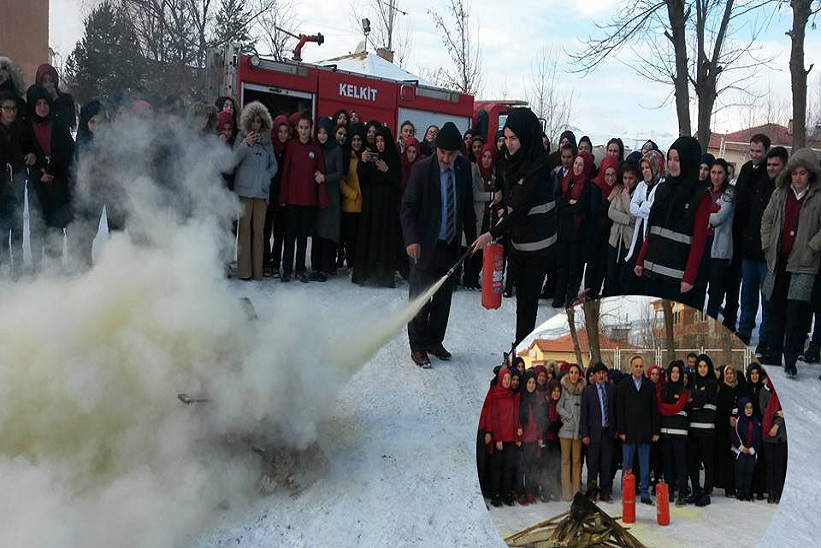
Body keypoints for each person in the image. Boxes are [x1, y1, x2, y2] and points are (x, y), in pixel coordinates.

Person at [471, 108, 558, 344]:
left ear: (527, 137)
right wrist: (502, 208)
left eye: (514, 139)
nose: (508, 144)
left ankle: (520, 359)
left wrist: (490, 234)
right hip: (519, 245)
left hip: (538, 251)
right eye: (506, 138)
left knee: (527, 307)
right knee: (522, 305)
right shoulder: (514, 162)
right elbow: (513, 202)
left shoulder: (539, 170)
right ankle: (519, 351)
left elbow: (521, 210)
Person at [401, 122, 477, 368]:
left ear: (459, 153)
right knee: (421, 298)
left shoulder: (464, 169)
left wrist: (472, 240)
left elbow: (466, 207)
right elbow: (407, 208)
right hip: (424, 245)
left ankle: (434, 341)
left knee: (443, 299)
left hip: (450, 245)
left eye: (451, 154)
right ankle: (418, 346)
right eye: (442, 152)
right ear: (436, 150)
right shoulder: (422, 170)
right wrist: (412, 240)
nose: (445, 158)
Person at [760, 147, 821, 377]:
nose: (798, 178)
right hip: (779, 259)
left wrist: (812, 247)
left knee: (796, 314)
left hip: (804, 264)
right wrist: (767, 245)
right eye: (795, 173)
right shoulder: (780, 194)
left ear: (810, 174)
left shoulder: (817, 196)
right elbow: (766, 219)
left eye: (803, 173)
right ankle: (774, 353)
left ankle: (791, 357)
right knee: (774, 307)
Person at [634, 137, 711, 306]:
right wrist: (640, 260)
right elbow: (653, 229)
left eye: (677, 159)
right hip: (652, 269)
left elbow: (699, 242)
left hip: (676, 276)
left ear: (689, 161)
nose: (672, 164)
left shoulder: (701, 196)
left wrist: (689, 278)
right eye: (670, 159)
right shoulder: (663, 189)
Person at [21, 84, 75, 264]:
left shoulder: (58, 122)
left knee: (56, 224)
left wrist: (51, 170)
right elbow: (22, 154)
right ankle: (37, 266)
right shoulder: (25, 126)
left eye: (45, 103)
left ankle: (55, 265)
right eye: (38, 104)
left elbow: (67, 150)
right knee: (37, 225)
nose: (42, 107)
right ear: (32, 106)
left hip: (58, 181)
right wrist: (39, 174)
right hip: (37, 184)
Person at [730, 134, 772, 336]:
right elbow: (739, 203)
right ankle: (745, 329)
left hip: (764, 244)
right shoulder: (746, 169)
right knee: (747, 293)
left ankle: (765, 334)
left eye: (758, 152)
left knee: (766, 294)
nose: (754, 155)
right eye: (752, 151)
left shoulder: (771, 173)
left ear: (766, 151)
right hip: (745, 242)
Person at [279, 113, 327, 283]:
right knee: (289, 236)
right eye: (301, 128)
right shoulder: (291, 146)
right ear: (297, 129)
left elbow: (321, 172)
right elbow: (285, 173)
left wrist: (321, 199)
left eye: (306, 128)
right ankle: (286, 269)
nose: (304, 131)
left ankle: (300, 269)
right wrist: (283, 196)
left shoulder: (315, 149)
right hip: (292, 200)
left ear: (310, 129)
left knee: (302, 239)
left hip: (308, 201)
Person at [233, 101, 277, 281]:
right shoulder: (240, 137)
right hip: (244, 193)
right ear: (248, 121)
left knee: (259, 234)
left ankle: (257, 273)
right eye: (253, 121)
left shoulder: (267, 142)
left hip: (261, 194)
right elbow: (233, 160)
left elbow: (274, 165)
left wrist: (267, 177)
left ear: (264, 123)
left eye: (259, 121)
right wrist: (245, 144)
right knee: (244, 232)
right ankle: (244, 272)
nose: (256, 125)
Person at [353, 126, 401, 288]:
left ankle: (383, 276)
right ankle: (367, 273)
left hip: (387, 208)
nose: (380, 144)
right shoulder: (371, 156)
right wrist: (363, 162)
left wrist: (387, 170)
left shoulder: (394, 158)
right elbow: (363, 178)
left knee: (384, 241)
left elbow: (398, 182)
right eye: (378, 141)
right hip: (371, 207)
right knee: (369, 238)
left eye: (382, 141)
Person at [616, 355, 661, 505]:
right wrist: (621, 430)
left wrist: (655, 431)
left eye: (641, 366)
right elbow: (620, 410)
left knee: (644, 465)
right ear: (631, 367)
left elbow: (654, 409)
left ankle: (644, 493)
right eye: (636, 366)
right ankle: (626, 491)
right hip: (628, 432)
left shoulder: (649, 385)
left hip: (645, 432)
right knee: (627, 465)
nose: (639, 369)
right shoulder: (623, 385)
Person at [554, 151, 592, 308]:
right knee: (561, 266)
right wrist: (568, 202)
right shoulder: (566, 180)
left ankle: (570, 299)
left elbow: (580, 207)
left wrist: (566, 204)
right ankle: (558, 296)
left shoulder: (587, 185)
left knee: (574, 268)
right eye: (576, 163)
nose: (577, 167)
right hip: (563, 230)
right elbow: (557, 201)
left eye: (580, 164)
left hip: (577, 233)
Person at [624, 150, 664, 295]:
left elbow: (652, 209)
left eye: (648, 168)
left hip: (652, 236)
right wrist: (643, 207)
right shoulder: (641, 185)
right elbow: (633, 207)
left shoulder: (662, 186)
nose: (645, 171)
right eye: (643, 168)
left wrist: (643, 207)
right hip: (639, 233)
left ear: (656, 167)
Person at [311, 117, 344, 280]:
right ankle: (316, 265)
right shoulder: (315, 147)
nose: (322, 136)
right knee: (318, 231)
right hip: (317, 195)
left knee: (328, 232)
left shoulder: (336, 149)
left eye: (325, 132)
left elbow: (340, 173)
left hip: (331, 197)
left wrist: (325, 178)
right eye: (319, 132)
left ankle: (327, 266)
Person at [579, 362, 617, 503]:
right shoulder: (588, 391)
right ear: (593, 376)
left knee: (606, 465)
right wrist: (585, 434)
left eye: (603, 373)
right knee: (593, 465)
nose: (601, 375)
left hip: (608, 432)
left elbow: (615, 411)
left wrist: (616, 429)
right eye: (598, 373)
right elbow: (584, 414)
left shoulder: (612, 389)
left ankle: (605, 492)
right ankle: (591, 493)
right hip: (593, 434)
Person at [704, 158, 735, 320]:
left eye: (720, 173)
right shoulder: (706, 190)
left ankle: (711, 320)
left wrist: (704, 217)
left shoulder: (729, 193)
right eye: (713, 172)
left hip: (719, 247)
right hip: (704, 243)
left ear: (725, 175)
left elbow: (719, 217)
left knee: (715, 291)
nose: (716, 176)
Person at [687, 354, 719, 506]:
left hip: (707, 430)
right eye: (700, 366)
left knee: (708, 462)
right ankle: (696, 490)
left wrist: (695, 399)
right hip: (693, 429)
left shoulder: (712, 383)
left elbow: (700, 401)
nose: (702, 369)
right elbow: (690, 402)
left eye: (705, 366)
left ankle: (706, 492)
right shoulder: (693, 383)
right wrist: (694, 399)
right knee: (692, 461)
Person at [657, 360, 689, 505]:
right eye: (673, 372)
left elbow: (678, 407)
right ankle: (669, 491)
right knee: (667, 464)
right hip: (665, 432)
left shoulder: (684, 391)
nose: (675, 375)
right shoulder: (663, 390)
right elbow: (659, 406)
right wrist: (669, 408)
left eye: (678, 372)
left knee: (681, 464)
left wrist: (667, 408)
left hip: (680, 432)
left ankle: (682, 493)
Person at [486, 367, 519, 507]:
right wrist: (498, 438)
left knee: (508, 468)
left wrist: (518, 431)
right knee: (497, 468)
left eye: (509, 379)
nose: (507, 381)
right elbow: (494, 418)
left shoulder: (511, 395)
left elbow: (515, 416)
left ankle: (506, 493)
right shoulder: (495, 394)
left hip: (511, 438)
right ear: (500, 379)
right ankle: (495, 494)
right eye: (505, 379)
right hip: (500, 438)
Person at [606, 162, 639, 296]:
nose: (627, 181)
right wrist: (627, 220)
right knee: (611, 277)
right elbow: (611, 212)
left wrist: (626, 198)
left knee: (624, 279)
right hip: (614, 240)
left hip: (628, 242)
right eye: (625, 178)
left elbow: (634, 214)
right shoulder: (619, 191)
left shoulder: (637, 194)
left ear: (636, 178)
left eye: (630, 178)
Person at [557, 363, 586, 501]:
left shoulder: (583, 389)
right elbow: (558, 407)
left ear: (579, 375)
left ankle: (576, 491)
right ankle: (566, 492)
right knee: (565, 462)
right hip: (566, 431)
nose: (573, 375)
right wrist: (568, 417)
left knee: (577, 461)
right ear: (568, 374)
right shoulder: (564, 389)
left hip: (578, 432)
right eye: (571, 372)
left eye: (576, 372)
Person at [516, 370, 544, 505]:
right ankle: (521, 492)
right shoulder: (520, 398)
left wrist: (539, 437)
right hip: (522, 440)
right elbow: (515, 417)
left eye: (533, 382)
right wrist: (518, 430)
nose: (531, 385)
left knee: (532, 467)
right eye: (529, 382)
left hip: (533, 439)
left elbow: (539, 421)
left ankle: (530, 491)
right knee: (523, 467)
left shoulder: (536, 399)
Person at [340, 123, 365, 271]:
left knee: (361, 239)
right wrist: (353, 195)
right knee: (351, 238)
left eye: (359, 139)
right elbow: (340, 182)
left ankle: (359, 265)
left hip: (364, 206)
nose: (356, 143)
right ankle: (351, 266)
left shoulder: (365, 157)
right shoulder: (346, 157)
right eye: (354, 139)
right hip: (350, 205)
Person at [759, 376, 787, 503]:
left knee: (779, 466)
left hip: (781, 434)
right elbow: (763, 409)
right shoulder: (763, 392)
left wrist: (776, 424)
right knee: (769, 466)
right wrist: (777, 413)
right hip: (767, 433)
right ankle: (771, 491)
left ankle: (779, 492)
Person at [731, 397, 761, 502]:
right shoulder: (738, 421)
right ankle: (739, 490)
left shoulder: (755, 421)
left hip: (751, 451)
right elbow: (734, 436)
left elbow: (758, 437)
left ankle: (747, 491)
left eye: (750, 408)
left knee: (749, 471)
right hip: (740, 451)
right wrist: (742, 448)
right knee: (740, 470)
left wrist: (752, 449)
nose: (749, 410)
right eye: (746, 408)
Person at [35, 63, 76, 130]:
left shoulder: (66, 99)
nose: (48, 84)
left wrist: (56, 99)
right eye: (44, 81)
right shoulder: (35, 99)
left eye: (51, 81)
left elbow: (69, 121)